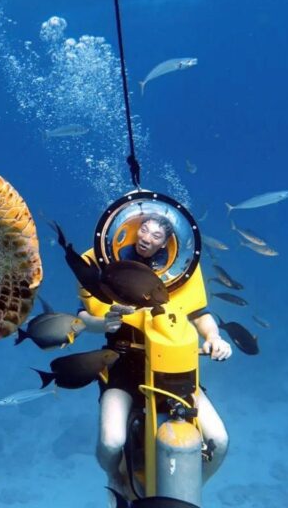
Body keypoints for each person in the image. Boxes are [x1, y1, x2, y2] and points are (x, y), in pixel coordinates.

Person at [76, 214, 231, 501]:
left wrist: (214, 338)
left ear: (167, 242)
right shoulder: (110, 265)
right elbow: (84, 317)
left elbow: (200, 314)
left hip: (176, 370)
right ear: (135, 231)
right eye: (144, 229)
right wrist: (103, 324)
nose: (147, 237)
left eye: (157, 235)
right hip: (123, 366)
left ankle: (189, 490)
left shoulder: (181, 268)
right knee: (111, 442)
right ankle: (114, 477)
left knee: (219, 442)